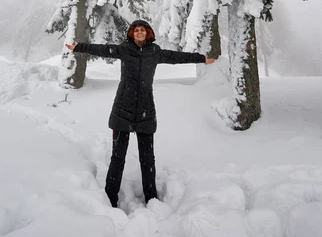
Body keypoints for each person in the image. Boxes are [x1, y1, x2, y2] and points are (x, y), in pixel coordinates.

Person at [65, 19, 215, 208]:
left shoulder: (155, 52)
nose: (139, 33)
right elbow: (102, 49)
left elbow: (177, 57)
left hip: (145, 110)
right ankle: (110, 198)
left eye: (142, 30)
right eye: (136, 30)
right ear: (131, 33)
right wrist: (79, 47)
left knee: (147, 158)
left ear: (148, 33)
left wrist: (201, 58)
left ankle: (151, 198)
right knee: (117, 158)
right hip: (122, 109)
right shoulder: (124, 49)